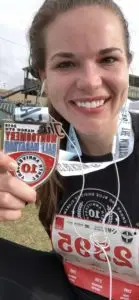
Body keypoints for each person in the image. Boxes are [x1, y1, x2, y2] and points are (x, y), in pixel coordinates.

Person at [0, 0, 139, 299]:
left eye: (108, 59)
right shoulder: (39, 145)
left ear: (127, 63)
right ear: (44, 74)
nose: (90, 82)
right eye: (66, 63)